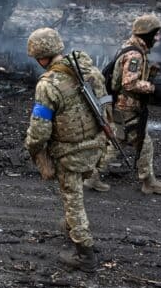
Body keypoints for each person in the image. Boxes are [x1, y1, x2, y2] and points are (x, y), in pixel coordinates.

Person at [25, 27, 109, 273]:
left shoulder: (48, 85)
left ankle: (85, 253)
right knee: (76, 192)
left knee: (73, 200)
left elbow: (40, 129)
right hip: (96, 144)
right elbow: (105, 104)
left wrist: (33, 148)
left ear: (42, 57)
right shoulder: (90, 71)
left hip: (69, 153)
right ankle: (72, 227)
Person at [84, 14, 161, 195]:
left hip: (120, 106)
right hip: (127, 107)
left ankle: (92, 177)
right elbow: (129, 83)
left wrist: (152, 71)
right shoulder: (135, 55)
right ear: (147, 33)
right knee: (143, 143)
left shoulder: (129, 47)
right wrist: (153, 88)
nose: (157, 39)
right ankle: (148, 182)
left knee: (118, 141)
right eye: (156, 34)